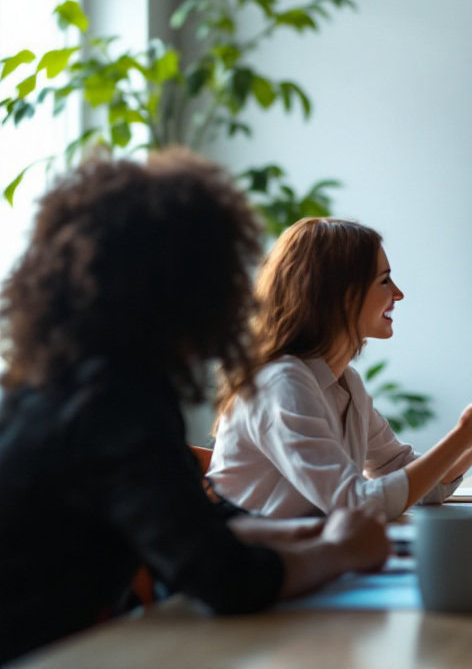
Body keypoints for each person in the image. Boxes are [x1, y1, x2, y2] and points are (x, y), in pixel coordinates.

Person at [0, 154, 390, 665]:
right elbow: (223, 578)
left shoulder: (60, 385)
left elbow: (196, 519)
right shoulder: (113, 403)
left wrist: (314, 532)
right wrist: (339, 552)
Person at [208, 217, 472, 520]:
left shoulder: (345, 383)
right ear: (341, 296)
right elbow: (356, 504)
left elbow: (422, 487)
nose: (398, 294)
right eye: (384, 280)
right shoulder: (282, 384)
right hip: (258, 590)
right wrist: (463, 435)